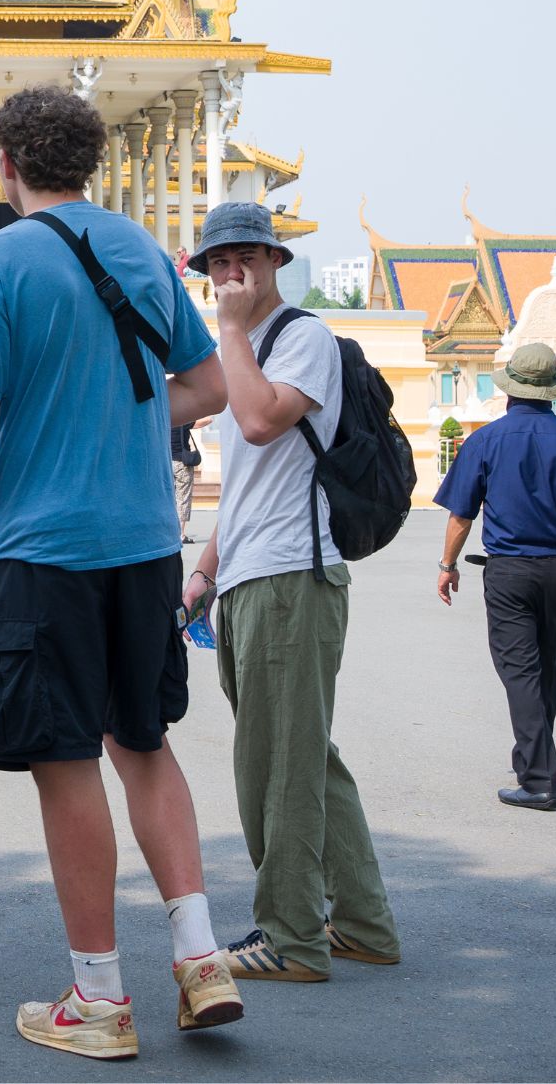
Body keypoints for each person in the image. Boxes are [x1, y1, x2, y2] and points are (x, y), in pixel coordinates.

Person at [0, 85, 237, 1060]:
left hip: (44, 550)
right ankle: (197, 957)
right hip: (141, 540)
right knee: (141, 743)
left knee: (64, 759)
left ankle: (98, 996)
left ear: (5, 166)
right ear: (89, 163)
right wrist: (128, 421)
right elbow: (206, 384)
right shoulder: (141, 250)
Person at [181, 206, 401, 984]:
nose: (231, 272)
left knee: (276, 768)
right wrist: (205, 570)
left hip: (292, 579)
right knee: (305, 760)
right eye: (218, 261)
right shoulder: (239, 347)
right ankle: (365, 924)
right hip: (248, 575)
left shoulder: (302, 338)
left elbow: (262, 419)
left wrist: (233, 331)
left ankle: (293, 938)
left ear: (276, 261)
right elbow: (244, 481)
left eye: (245, 257)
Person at [435, 342, 556, 812]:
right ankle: (533, 762)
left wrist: (447, 566)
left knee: (519, 672)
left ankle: (538, 781)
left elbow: (461, 515)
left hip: (510, 570)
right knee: (545, 670)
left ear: (509, 390)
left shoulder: (485, 441)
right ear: (552, 392)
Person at [170, 419, 209, 544]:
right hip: (182, 463)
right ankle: (180, 534)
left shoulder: (162, 420)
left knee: (167, 498)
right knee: (183, 498)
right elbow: (208, 420)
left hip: (166, 463)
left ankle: (167, 533)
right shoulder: (183, 421)